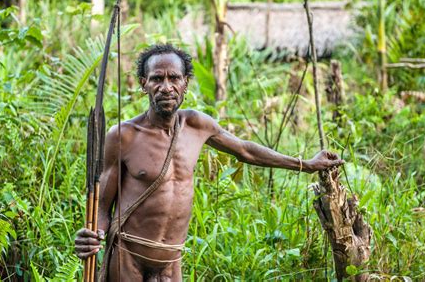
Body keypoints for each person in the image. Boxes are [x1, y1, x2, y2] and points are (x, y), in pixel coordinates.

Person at [75, 44, 344, 281]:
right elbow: (102, 206)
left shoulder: (197, 125)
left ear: (185, 83)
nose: (166, 86)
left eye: (174, 78)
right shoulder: (123, 135)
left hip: (171, 260)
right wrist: (93, 235)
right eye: (157, 78)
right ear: (144, 83)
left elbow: (245, 151)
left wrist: (305, 164)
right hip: (128, 257)